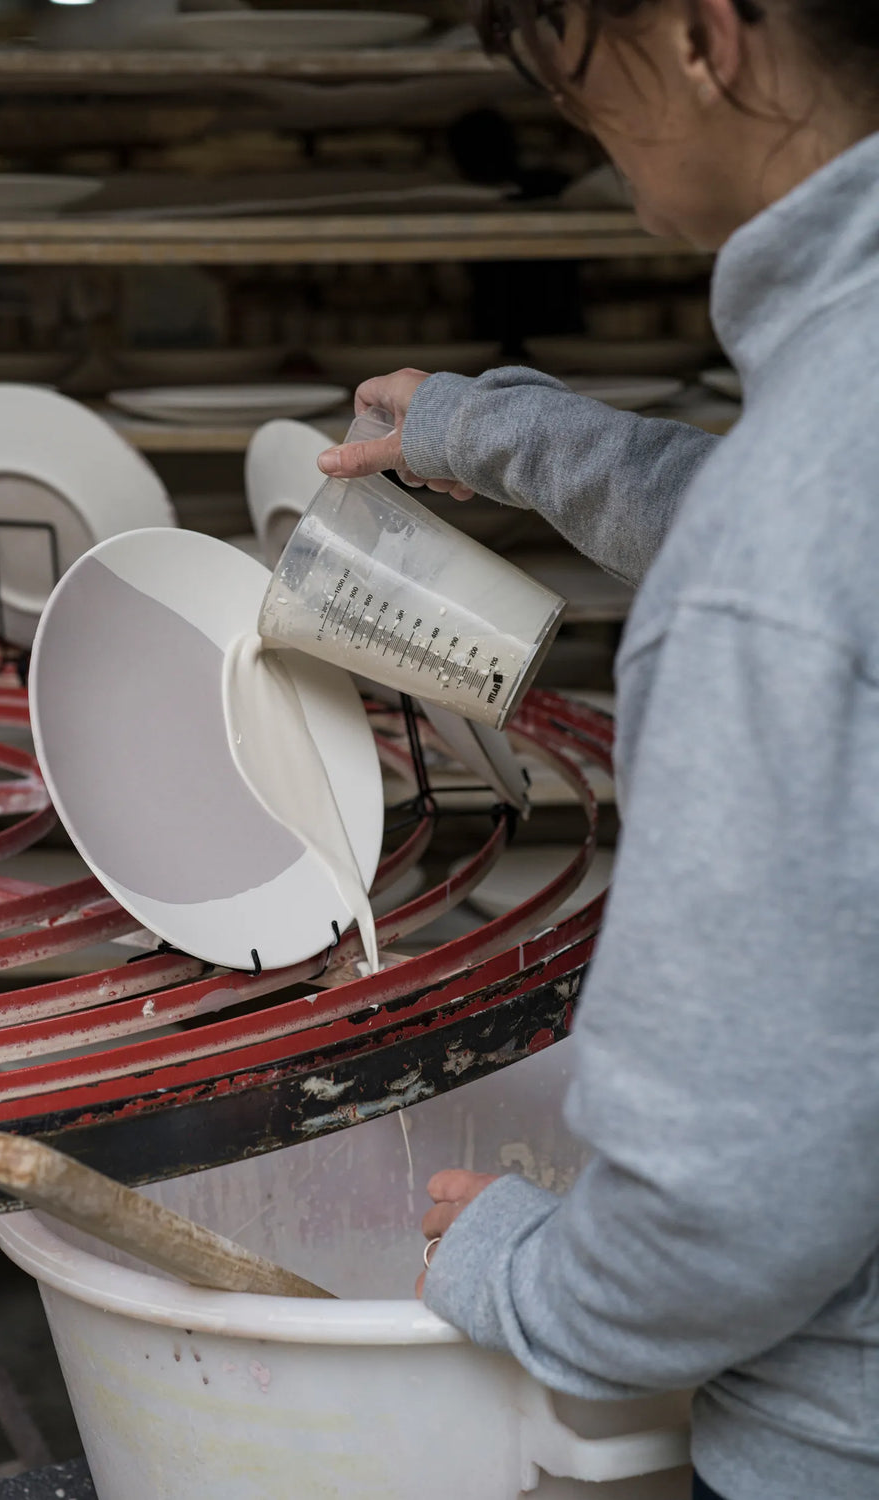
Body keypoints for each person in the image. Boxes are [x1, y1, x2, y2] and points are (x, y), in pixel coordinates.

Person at [316, 4, 879, 1498]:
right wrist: (501, 436)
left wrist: (526, 1273)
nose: (571, 115)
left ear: (705, 35)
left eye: (563, 59)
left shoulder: (777, 573)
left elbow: (739, 1192)